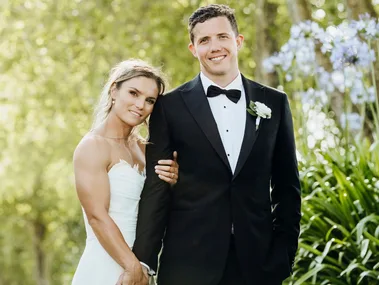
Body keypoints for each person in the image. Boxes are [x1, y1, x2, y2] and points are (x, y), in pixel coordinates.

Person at [133, 4, 301, 285]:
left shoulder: (275, 103)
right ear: (193, 49)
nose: (215, 47)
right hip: (187, 264)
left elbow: (287, 187)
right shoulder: (169, 107)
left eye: (222, 37)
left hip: (258, 265)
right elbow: (157, 187)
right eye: (204, 40)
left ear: (238, 41)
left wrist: (284, 255)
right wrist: (145, 261)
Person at [71, 59, 179, 285]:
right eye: (133, 93)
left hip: (141, 266)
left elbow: (154, 206)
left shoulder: (144, 149)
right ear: (114, 91)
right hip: (106, 264)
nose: (140, 105)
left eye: (150, 100)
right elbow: (97, 217)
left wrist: (173, 178)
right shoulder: (92, 146)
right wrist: (131, 267)